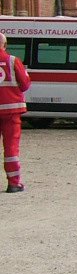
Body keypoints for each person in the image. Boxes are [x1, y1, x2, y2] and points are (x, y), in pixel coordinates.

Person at [0, 32, 32, 192]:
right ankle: (13, 183)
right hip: (11, 110)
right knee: (11, 147)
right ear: (4, 45)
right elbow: (25, 84)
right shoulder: (12, 61)